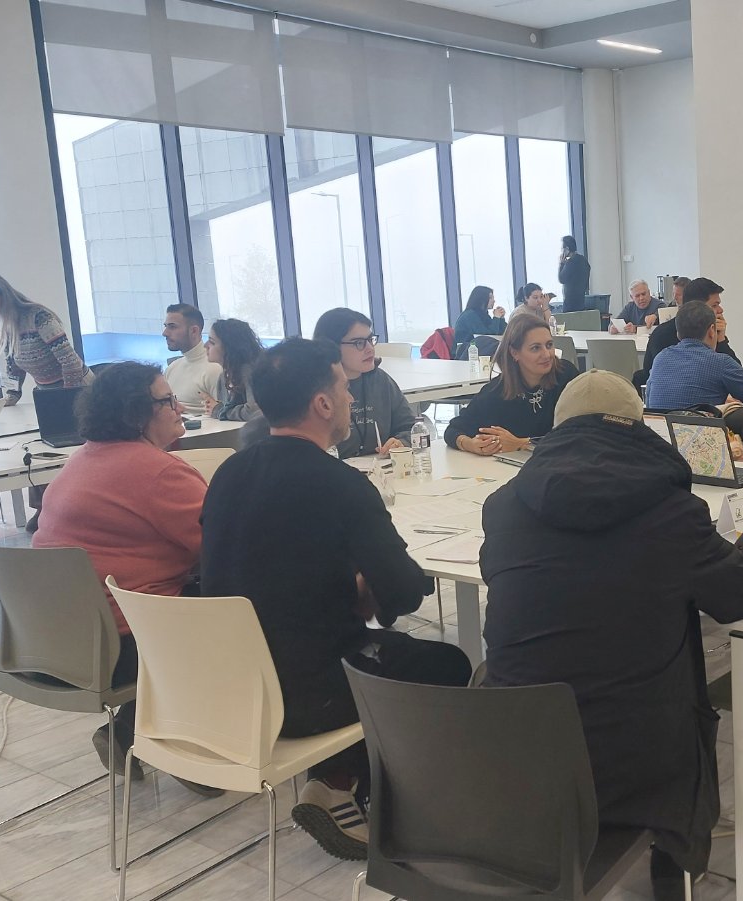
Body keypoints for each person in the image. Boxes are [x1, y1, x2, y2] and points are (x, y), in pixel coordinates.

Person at [481, 371, 743, 898]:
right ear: (638, 431)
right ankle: (672, 861)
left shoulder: (502, 508)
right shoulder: (672, 511)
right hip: (633, 764)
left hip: (518, 759)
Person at [200, 338, 470, 859]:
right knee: (446, 664)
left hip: (229, 685)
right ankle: (378, 797)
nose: (350, 399)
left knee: (350, 647)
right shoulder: (340, 483)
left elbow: (265, 570)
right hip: (304, 696)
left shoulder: (229, 473)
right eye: (344, 389)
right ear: (322, 404)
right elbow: (404, 589)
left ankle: (337, 780)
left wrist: (348, 587)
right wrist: (364, 589)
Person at [32, 362, 216, 794]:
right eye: (167, 401)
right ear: (137, 414)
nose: (179, 408)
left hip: (47, 646)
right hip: (116, 650)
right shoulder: (159, 473)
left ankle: (133, 730)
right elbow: (228, 545)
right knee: (243, 604)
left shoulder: (81, 460)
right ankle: (181, 743)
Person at [646, 300, 743, 461]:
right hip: (702, 452)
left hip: (661, 450)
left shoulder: (660, 358)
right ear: (711, 330)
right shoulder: (721, 363)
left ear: (678, 334)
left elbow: (649, 400)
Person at [446, 312, 580, 455]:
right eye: (535, 348)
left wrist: (522, 444)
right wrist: (471, 444)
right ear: (514, 353)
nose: (547, 354)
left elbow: (583, 433)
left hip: (565, 462)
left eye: (549, 345)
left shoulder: (566, 375)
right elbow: (454, 429)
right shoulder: (497, 391)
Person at [0, 272, 92, 405]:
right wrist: (11, 395)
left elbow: (70, 362)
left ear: (4, 296)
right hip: (46, 391)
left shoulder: (39, 316)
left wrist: (67, 396)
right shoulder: (1, 322)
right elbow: (12, 364)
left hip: (79, 388)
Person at [311, 308, 417, 458]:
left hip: (381, 468)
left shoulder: (380, 380)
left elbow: (411, 428)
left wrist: (401, 442)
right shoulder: (314, 389)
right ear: (332, 346)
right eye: (359, 343)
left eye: (370, 340)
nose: (369, 349)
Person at [640, 278, 738, 382]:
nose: (720, 310)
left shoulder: (710, 331)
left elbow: (738, 375)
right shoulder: (662, 335)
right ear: (697, 307)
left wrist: (721, 340)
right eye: (714, 305)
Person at [162, 304, 222, 414]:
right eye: (166, 326)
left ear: (194, 331)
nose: (165, 333)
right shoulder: (172, 368)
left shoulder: (215, 369)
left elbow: (226, 418)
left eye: (172, 327)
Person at [203, 318, 263, 421]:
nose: (205, 345)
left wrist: (219, 410)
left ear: (229, 347)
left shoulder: (249, 371)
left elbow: (255, 412)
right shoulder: (223, 376)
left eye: (212, 342)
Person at [452, 285, 506, 357]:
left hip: (480, 351)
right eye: (490, 298)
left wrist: (501, 318)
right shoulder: (470, 315)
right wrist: (496, 318)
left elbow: (502, 333)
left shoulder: (484, 315)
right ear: (481, 299)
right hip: (466, 353)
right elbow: (487, 337)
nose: (494, 300)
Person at [558, 235, 591, 313]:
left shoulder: (571, 262)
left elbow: (561, 279)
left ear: (567, 249)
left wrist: (561, 264)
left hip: (570, 303)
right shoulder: (584, 260)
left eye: (562, 249)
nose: (562, 251)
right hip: (581, 301)